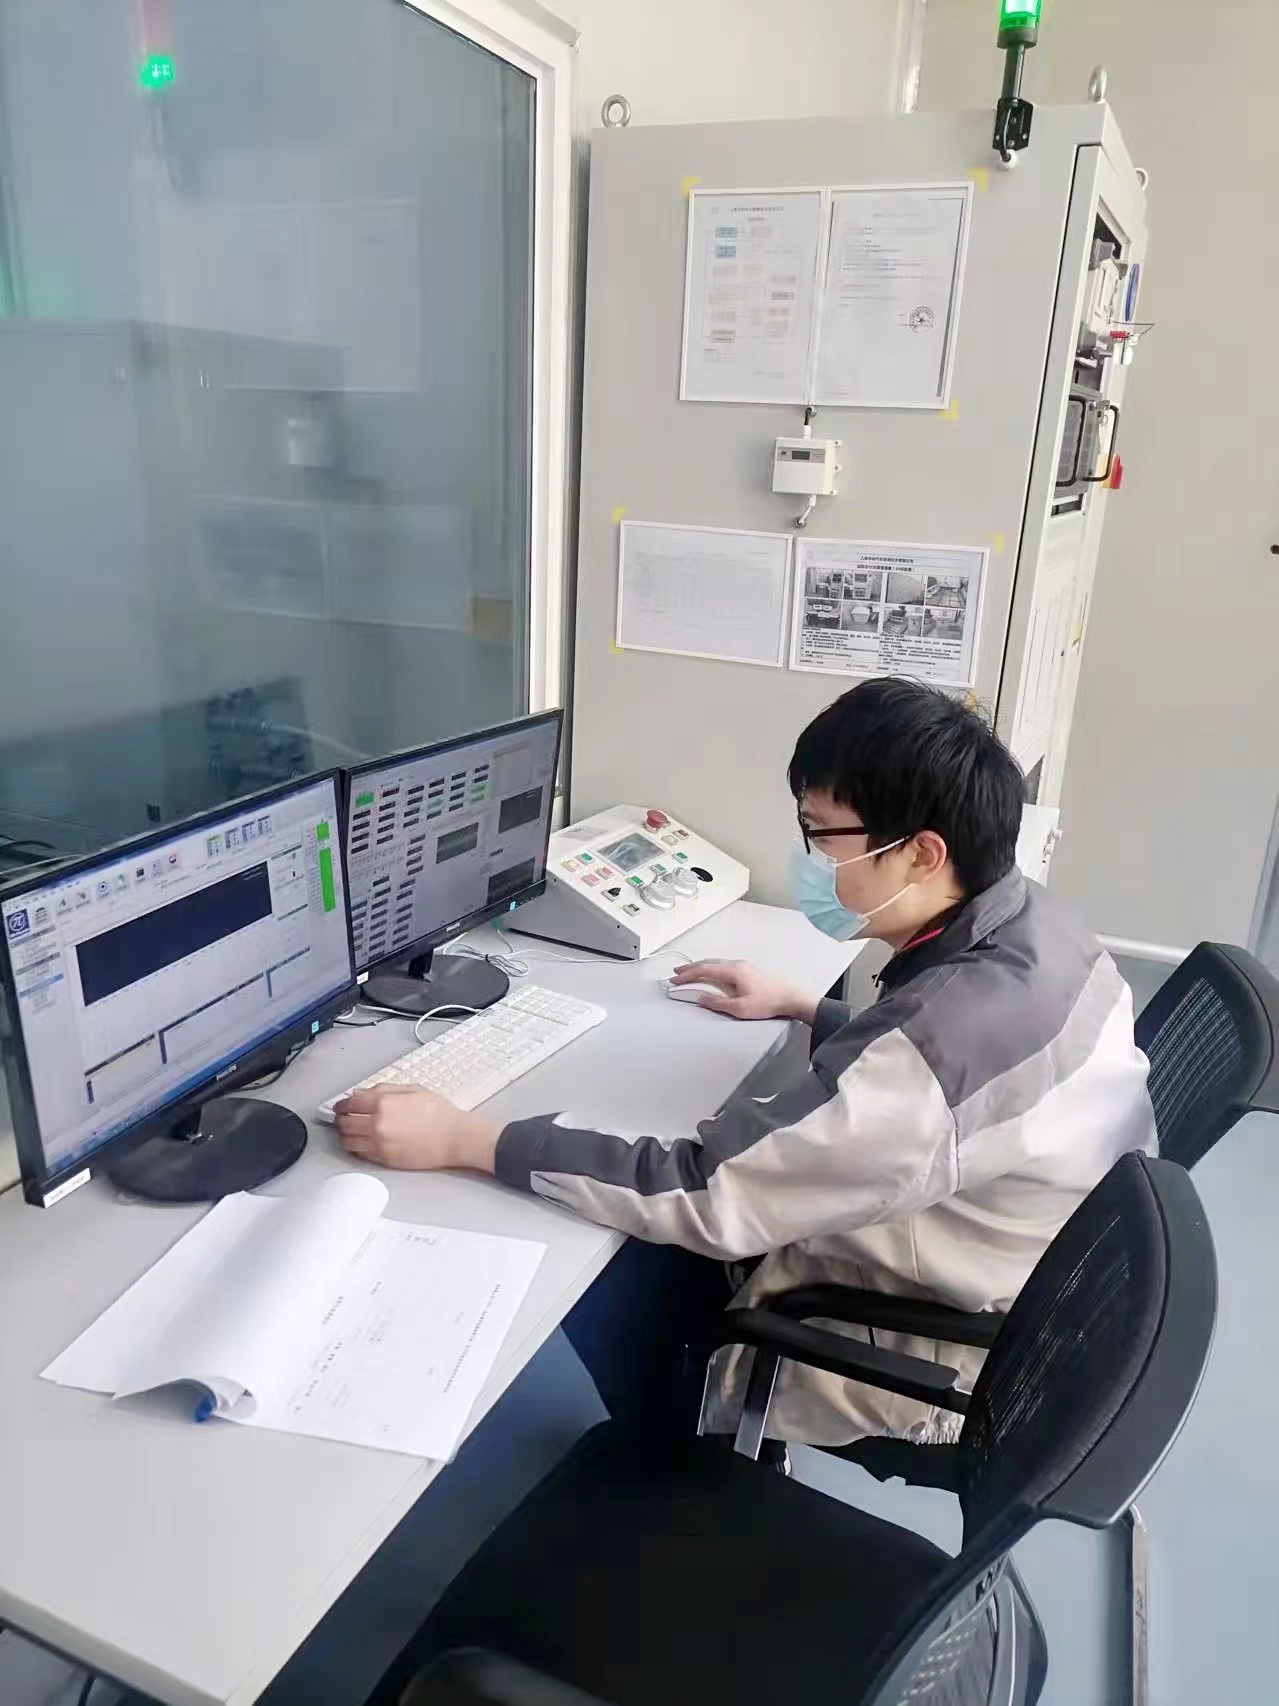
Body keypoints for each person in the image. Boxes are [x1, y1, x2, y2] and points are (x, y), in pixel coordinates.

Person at [334, 679, 1156, 1448]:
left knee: (601, 1255)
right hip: (1032, 1279)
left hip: (936, 1348)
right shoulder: (1040, 926)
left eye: (821, 833)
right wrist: (808, 1008)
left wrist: (470, 1141)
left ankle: (673, 1446)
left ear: (921, 854)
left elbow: (706, 1188)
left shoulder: (929, 1058)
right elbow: (947, 1082)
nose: (810, 857)